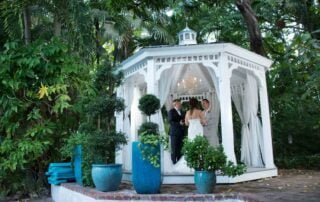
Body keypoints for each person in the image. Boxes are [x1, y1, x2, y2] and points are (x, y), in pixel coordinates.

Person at [172, 98, 207, 172]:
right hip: (198, 130)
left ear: (190, 104)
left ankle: (190, 162)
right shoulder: (200, 112)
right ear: (197, 104)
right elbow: (204, 122)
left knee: (191, 144)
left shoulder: (187, 112)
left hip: (191, 130)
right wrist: (201, 121)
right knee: (199, 145)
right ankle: (199, 163)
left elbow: (186, 123)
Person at [168, 99, 185, 164]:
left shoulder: (181, 111)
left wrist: (183, 123)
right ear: (175, 104)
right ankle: (174, 162)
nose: (180, 104)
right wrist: (179, 123)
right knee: (174, 148)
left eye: (180, 103)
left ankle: (179, 162)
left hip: (181, 133)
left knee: (180, 148)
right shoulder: (171, 111)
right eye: (179, 103)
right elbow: (170, 122)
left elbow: (182, 119)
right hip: (174, 133)